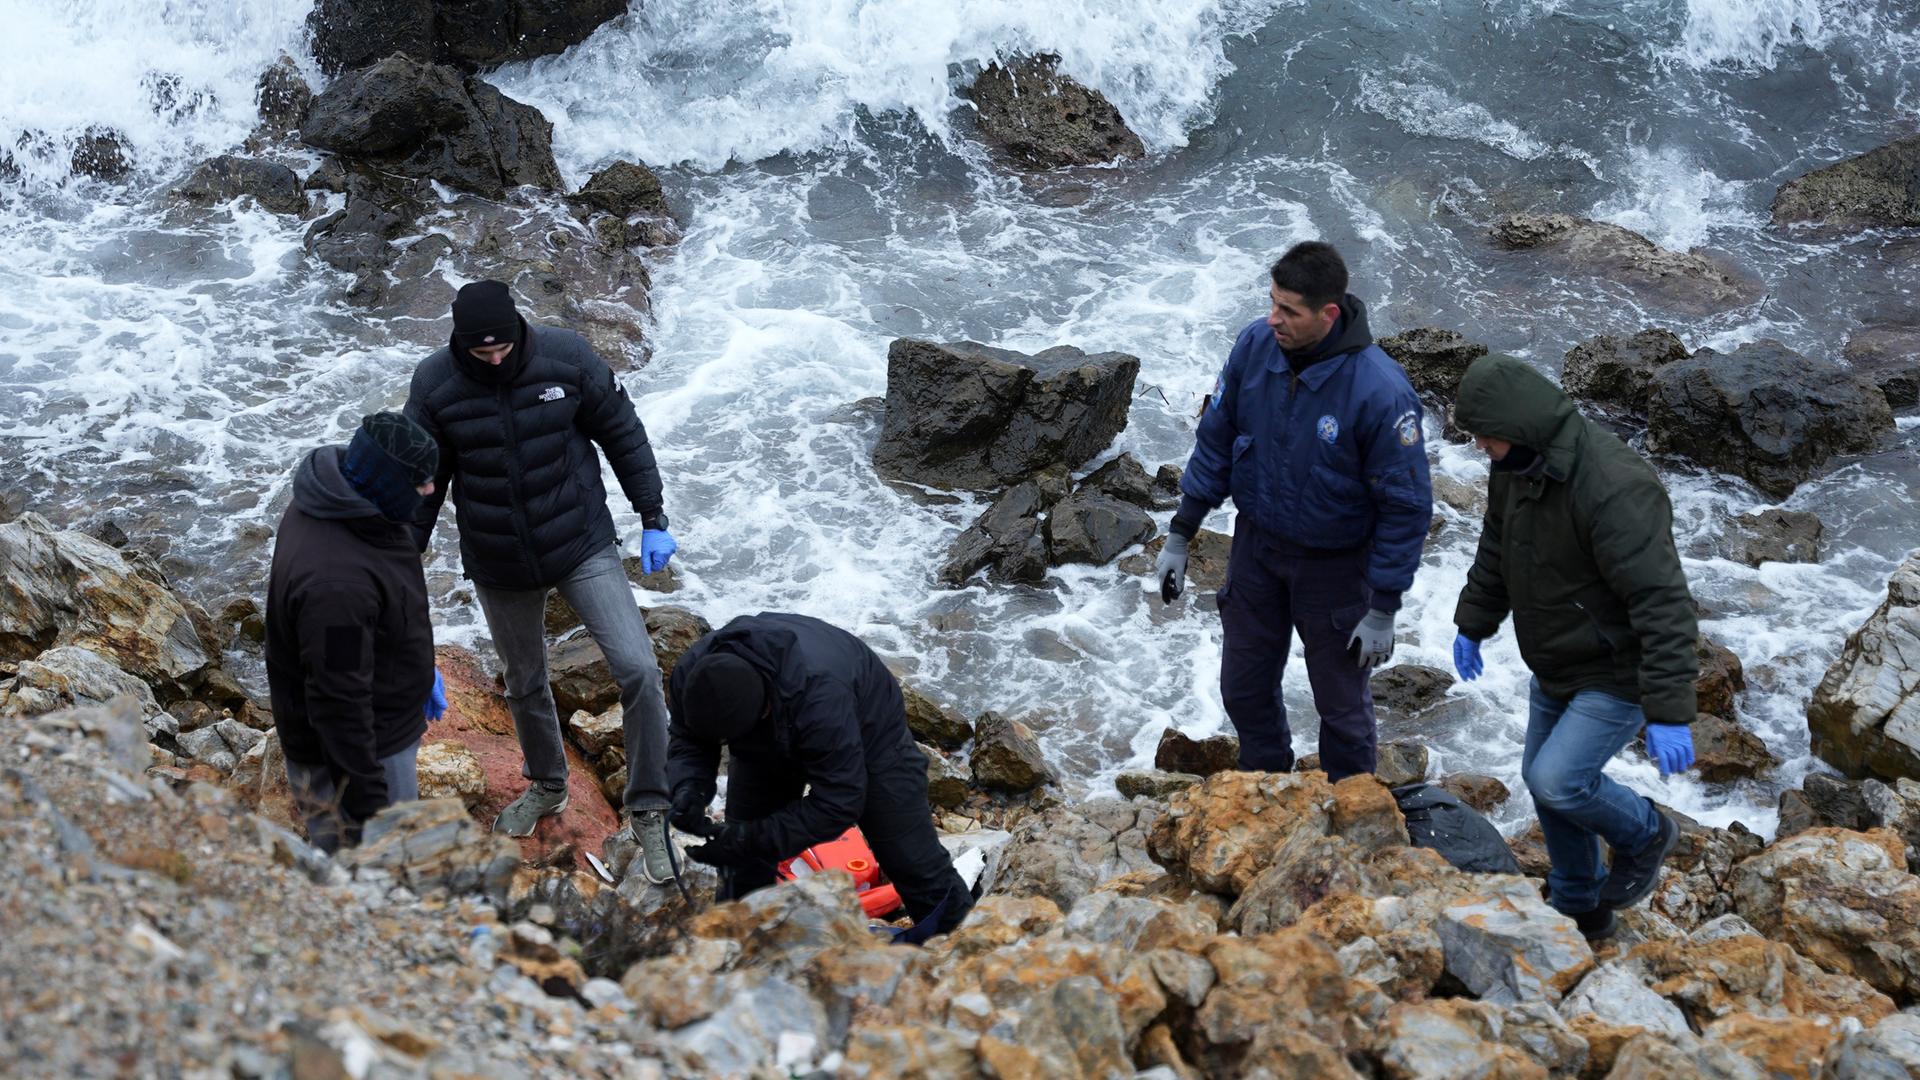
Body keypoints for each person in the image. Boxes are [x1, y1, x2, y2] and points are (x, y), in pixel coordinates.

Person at [404, 279, 682, 884]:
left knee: (637, 669)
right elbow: (423, 487)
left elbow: (622, 432)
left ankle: (651, 807)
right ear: (460, 342)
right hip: (499, 560)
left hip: (580, 541)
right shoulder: (434, 387)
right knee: (525, 681)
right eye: (483, 352)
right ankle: (548, 784)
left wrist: (652, 515)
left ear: (518, 329)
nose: (496, 358)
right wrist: (401, 566)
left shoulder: (568, 357)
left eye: (503, 346)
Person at [1156, 241, 1433, 782]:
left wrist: (1383, 608)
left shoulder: (1380, 391)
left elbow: (1406, 506)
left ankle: (1352, 808)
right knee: (1243, 686)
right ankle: (1265, 785)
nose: (1273, 318)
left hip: (1335, 568)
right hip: (1257, 548)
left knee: (1342, 710)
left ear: (1328, 314)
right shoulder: (1254, 346)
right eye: (1272, 302)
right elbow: (1216, 438)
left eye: (1289, 311)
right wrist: (1181, 532)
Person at [1449, 353, 1696, 941]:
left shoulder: (1616, 489)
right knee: (1542, 780)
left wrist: (1667, 711)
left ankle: (1645, 834)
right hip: (1558, 659)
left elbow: (1663, 603)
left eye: (1485, 435)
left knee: (1559, 781)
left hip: (1616, 670)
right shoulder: (1517, 466)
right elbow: (1497, 545)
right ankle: (1580, 908)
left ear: (1520, 425)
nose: (1480, 445)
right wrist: (1474, 620)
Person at [665, 612, 975, 937]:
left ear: (763, 710)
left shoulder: (823, 698)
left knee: (911, 860)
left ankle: (965, 951)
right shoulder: (694, 674)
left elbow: (840, 801)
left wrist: (752, 839)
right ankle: (737, 954)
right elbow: (689, 737)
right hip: (771, 730)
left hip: (869, 726)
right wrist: (689, 787)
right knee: (742, 861)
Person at [267, 412, 445, 853]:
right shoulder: (336, 586)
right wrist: (372, 810)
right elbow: (339, 708)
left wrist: (420, 671)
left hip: (379, 720)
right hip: (362, 757)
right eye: (419, 482)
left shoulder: (352, 506)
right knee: (378, 877)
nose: (431, 490)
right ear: (386, 481)